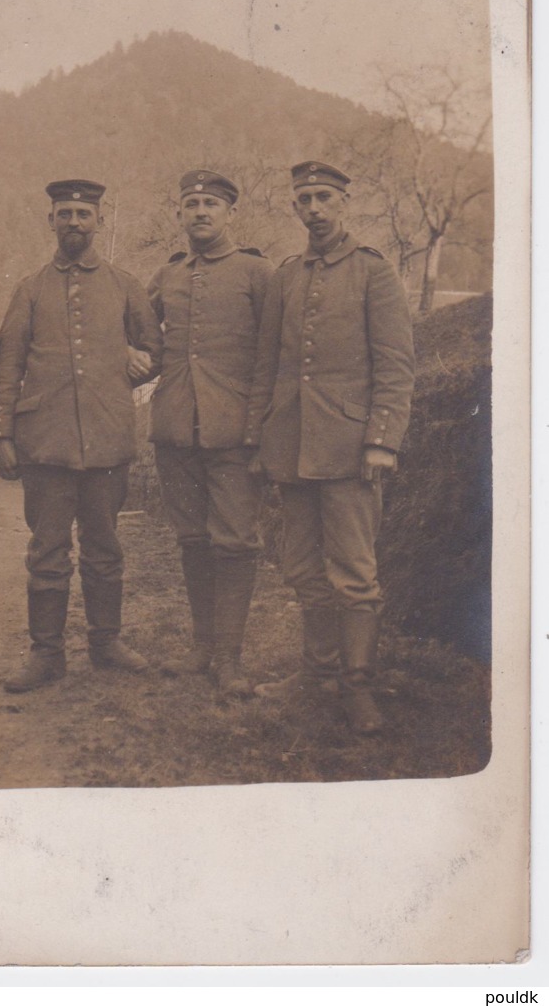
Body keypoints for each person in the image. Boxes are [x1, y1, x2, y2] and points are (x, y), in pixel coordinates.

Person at [245, 162, 415, 734]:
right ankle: (317, 675)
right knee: (301, 566)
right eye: (304, 199)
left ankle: (358, 685)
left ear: (345, 202)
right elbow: (268, 367)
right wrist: (258, 440)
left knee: (353, 572)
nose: (313, 208)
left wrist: (381, 441)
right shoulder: (287, 276)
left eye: (323, 197)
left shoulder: (374, 273)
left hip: (349, 449)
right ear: (294, 207)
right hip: (291, 448)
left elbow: (395, 367)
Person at [0, 179, 163, 693]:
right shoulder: (29, 288)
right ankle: (46, 655)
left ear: (98, 222)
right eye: (64, 213)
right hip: (45, 444)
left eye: (83, 214)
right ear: (50, 221)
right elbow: (7, 366)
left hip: (108, 443)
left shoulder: (124, 284)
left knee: (105, 548)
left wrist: (136, 367)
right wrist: (1, 434)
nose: (73, 223)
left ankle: (106, 643)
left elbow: (156, 348)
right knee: (46, 551)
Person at [148, 170, 274, 696]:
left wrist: (260, 429)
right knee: (193, 539)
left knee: (236, 543)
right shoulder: (168, 276)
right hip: (176, 430)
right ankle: (202, 647)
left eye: (210, 204)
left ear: (230, 214)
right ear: (179, 213)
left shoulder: (257, 273)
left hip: (235, 432)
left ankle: (231, 658)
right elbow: (148, 345)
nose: (200, 212)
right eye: (191, 203)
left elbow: (273, 357)